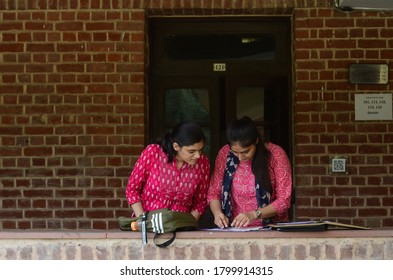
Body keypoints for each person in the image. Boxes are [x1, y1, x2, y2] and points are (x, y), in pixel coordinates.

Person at [207, 116, 292, 228]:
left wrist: (254, 214)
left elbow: (284, 201)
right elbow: (214, 193)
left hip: (273, 229)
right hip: (235, 228)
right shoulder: (225, 154)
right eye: (235, 152)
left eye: (245, 151)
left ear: (256, 141)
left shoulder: (276, 155)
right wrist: (218, 214)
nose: (241, 157)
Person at [125, 122, 210, 222]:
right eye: (191, 151)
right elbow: (132, 190)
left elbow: (201, 201)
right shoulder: (153, 153)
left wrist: (188, 223)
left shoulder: (202, 163)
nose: (198, 156)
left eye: (200, 150)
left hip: (182, 227)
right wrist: (143, 221)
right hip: (148, 224)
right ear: (176, 146)